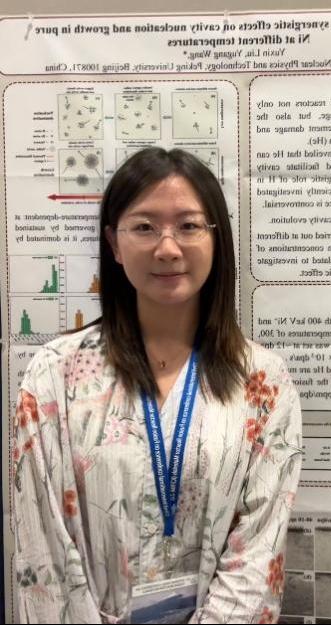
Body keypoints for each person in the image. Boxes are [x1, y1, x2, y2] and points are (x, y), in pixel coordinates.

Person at [12, 148, 302, 624]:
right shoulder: (54, 375)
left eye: (188, 226)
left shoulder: (262, 381)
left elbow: (258, 551)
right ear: (114, 242)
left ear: (216, 238)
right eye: (144, 227)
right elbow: (42, 552)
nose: (168, 248)